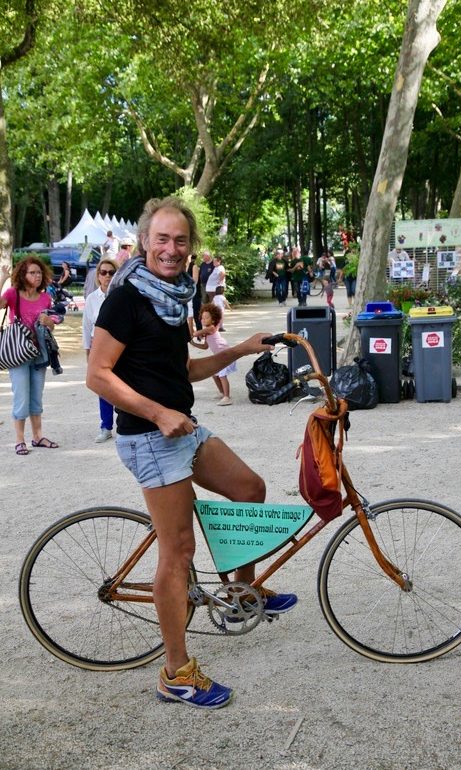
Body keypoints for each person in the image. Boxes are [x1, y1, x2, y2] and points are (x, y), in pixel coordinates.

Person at [86, 195, 297, 710]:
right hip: (150, 436)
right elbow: (97, 374)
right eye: (162, 238)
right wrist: (158, 414)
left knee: (249, 489)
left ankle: (242, 594)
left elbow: (183, 370)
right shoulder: (126, 298)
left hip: (182, 428)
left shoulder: (174, 295)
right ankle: (176, 673)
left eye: (181, 240)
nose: (171, 248)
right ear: (144, 241)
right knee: (179, 552)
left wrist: (239, 349)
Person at [0, 257, 59, 455]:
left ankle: (38, 436)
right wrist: (3, 278)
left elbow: (51, 326)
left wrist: (49, 322)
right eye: (32, 272)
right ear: (23, 275)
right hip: (18, 353)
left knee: (36, 397)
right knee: (21, 396)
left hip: (39, 353)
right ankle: (19, 440)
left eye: (39, 272)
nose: (37, 276)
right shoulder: (13, 294)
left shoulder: (45, 298)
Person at [82, 259, 118, 443]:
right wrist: (88, 351)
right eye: (103, 272)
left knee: (125, 384)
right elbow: (87, 327)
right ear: (98, 275)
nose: (107, 276)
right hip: (99, 346)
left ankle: (127, 424)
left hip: (119, 345)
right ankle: (106, 426)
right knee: (104, 386)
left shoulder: (121, 296)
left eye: (111, 272)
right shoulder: (92, 299)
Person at [190, 303, 235, 405]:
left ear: (213, 320)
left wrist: (191, 327)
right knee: (214, 374)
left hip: (225, 354)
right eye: (202, 318)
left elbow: (195, 333)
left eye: (206, 318)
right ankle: (222, 393)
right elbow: (205, 346)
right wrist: (193, 343)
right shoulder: (207, 332)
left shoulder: (211, 328)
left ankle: (227, 397)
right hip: (220, 356)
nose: (203, 320)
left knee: (222, 375)